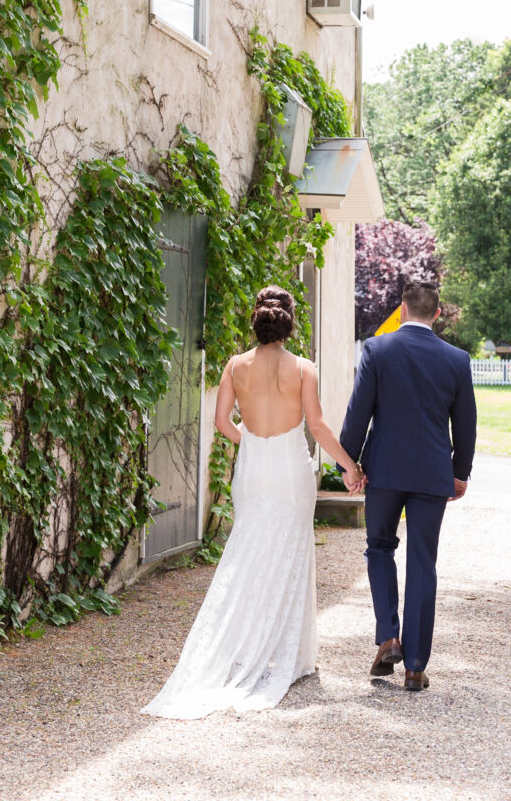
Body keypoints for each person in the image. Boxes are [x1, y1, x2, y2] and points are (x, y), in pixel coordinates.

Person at [141, 285, 365, 720]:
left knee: (247, 553)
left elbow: (222, 422)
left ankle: (244, 649)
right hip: (290, 473)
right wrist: (350, 467)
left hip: (254, 470)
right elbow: (316, 427)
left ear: (257, 320)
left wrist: (255, 446)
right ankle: (288, 656)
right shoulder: (304, 368)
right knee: (289, 553)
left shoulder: (235, 366)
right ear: (290, 321)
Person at [339, 280, 477, 691]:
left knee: (380, 547)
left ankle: (388, 637)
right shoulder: (457, 359)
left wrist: (349, 463)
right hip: (433, 475)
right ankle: (415, 666)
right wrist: (460, 471)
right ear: (436, 315)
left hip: (383, 471)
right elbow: (465, 424)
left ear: (401, 310)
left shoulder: (378, 350)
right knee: (422, 560)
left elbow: (358, 410)